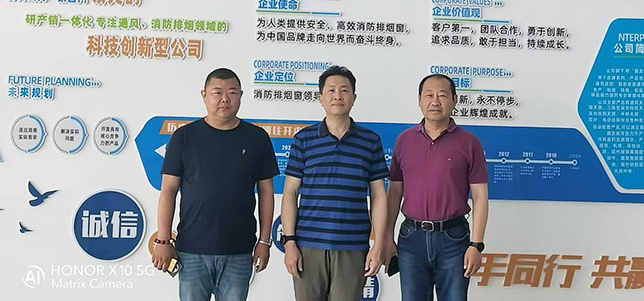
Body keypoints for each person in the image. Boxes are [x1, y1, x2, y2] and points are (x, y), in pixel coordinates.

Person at [152, 68, 279, 301]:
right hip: (191, 249)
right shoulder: (184, 137)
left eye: (232, 92)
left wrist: (264, 241)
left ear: (241, 96)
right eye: (217, 92)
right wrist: (163, 239)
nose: (224, 99)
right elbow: (168, 190)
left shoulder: (257, 138)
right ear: (204, 95)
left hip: (239, 250)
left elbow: (266, 191)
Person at [281, 65, 389, 301]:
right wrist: (290, 243)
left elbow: (379, 195)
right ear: (320, 98)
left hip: (352, 245)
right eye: (331, 90)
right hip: (308, 246)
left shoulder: (370, 141)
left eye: (344, 90)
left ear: (354, 98)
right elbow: (290, 193)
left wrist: (378, 244)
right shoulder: (304, 140)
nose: (337, 96)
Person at [384, 74, 489, 301]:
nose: (435, 101)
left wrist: (476, 244)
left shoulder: (469, 143)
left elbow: (480, 196)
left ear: (454, 100)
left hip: (454, 240)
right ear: (419, 100)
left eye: (442, 95)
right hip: (411, 239)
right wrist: (387, 237)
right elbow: (394, 192)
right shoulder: (404, 140)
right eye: (429, 95)